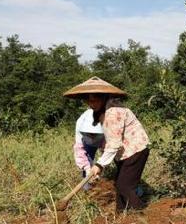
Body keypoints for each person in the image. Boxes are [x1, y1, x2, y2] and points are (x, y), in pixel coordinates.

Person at [64, 77, 150, 212]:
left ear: (103, 97)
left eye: (93, 100)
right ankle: (120, 214)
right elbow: (82, 148)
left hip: (135, 151)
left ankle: (140, 213)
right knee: (120, 185)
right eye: (88, 100)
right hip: (122, 153)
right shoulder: (93, 116)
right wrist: (89, 168)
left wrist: (99, 165)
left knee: (125, 186)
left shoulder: (114, 112)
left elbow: (114, 143)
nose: (90, 104)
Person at [73, 108, 105, 190]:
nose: (92, 137)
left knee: (119, 159)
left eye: (94, 135)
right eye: (90, 135)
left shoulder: (106, 123)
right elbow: (79, 152)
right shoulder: (80, 125)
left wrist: (100, 166)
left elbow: (108, 151)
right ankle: (88, 188)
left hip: (103, 138)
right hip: (86, 143)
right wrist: (88, 170)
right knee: (87, 160)